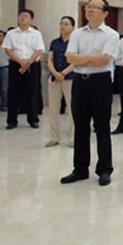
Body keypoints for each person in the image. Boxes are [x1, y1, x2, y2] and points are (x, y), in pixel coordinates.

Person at [61, 0, 120, 186]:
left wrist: (81, 58)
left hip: (100, 82)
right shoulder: (77, 33)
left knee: (102, 126)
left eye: (95, 7)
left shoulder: (111, 35)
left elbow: (104, 61)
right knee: (80, 126)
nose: (90, 10)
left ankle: (104, 169)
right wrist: (92, 57)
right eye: (88, 7)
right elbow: (70, 57)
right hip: (80, 82)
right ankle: (80, 169)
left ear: (105, 13)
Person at [3, 9, 45, 130]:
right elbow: (7, 49)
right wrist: (21, 62)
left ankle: (33, 119)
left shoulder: (36, 34)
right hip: (16, 64)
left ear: (31, 19)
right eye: (20, 16)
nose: (22, 18)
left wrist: (28, 63)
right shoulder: (11, 33)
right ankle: (12, 120)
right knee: (13, 92)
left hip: (31, 64)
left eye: (25, 16)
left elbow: (39, 49)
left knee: (32, 92)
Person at [46, 16, 76, 148]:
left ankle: (72, 138)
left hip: (70, 78)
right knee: (53, 108)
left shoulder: (75, 42)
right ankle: (54, 137)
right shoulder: (54, 42)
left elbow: (76, 61)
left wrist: (63, 73)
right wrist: (55, 73)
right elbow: (49, 60)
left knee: (72, 108)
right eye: (61, 23)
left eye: (66, 24)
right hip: (54, 78)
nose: (63, 26)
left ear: (73, 27)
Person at [0, 30, 9, 112]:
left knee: (4, 88)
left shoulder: (6, 48)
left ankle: (4, 104)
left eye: (1, 36)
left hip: (4, 69)